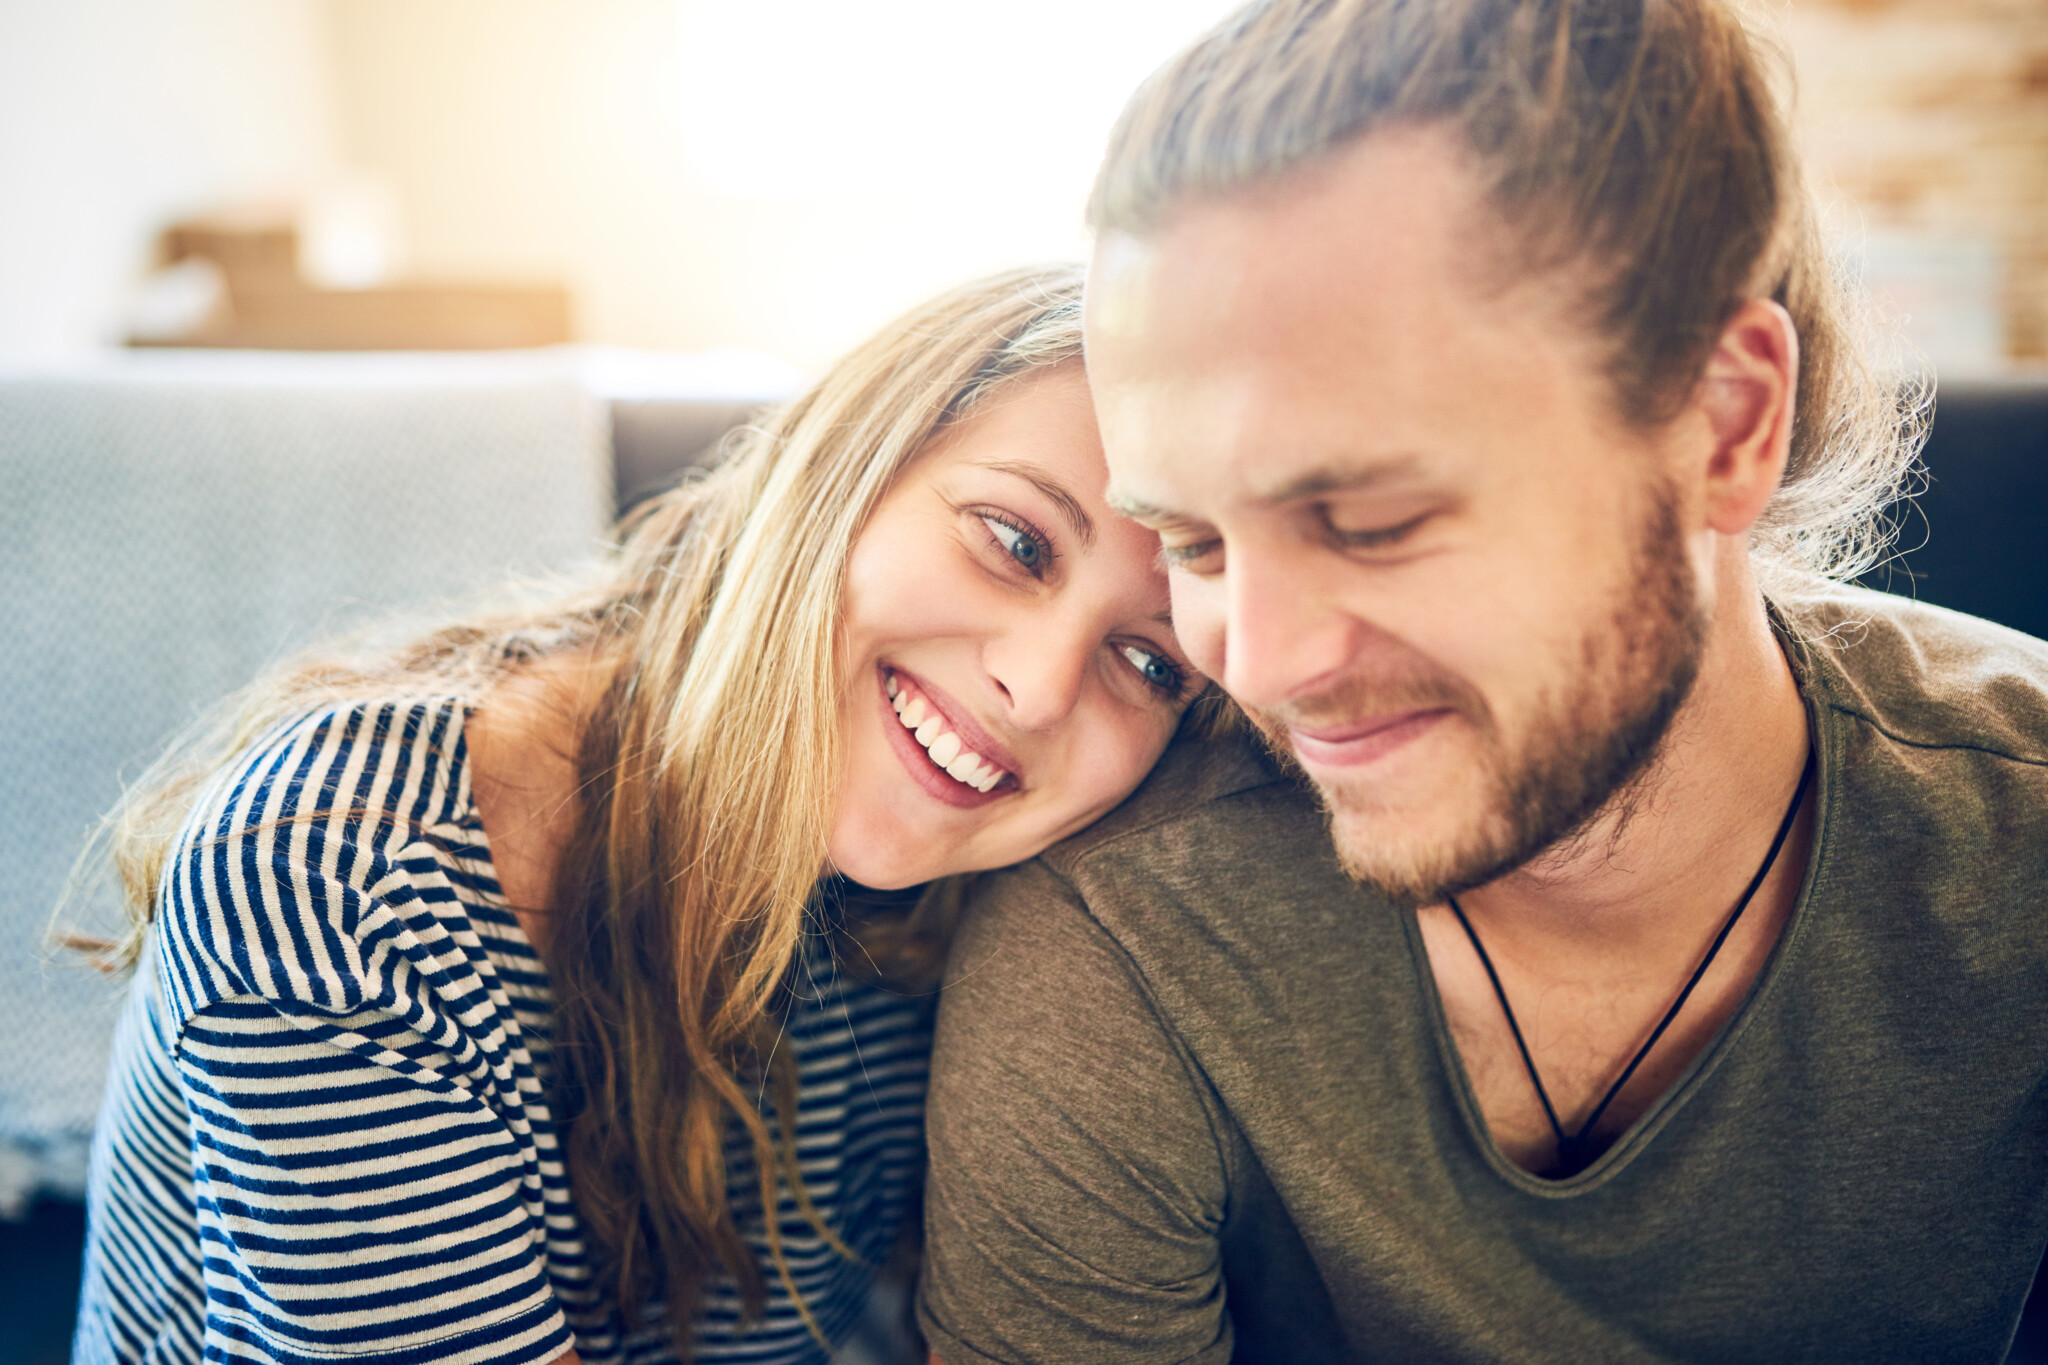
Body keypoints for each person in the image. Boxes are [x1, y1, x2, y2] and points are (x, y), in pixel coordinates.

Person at [917, 2, 2048, 1361]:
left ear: (1724, 425)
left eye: (1371, 520)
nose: (1262, 665)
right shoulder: (1125, 935)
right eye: (1197, 545)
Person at [68, 265, 1212, 1365]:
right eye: (1013, 543)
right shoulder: (335, 878)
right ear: (834, 476)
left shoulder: (1007, 916)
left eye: (1147, 662)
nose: (1043, 687)